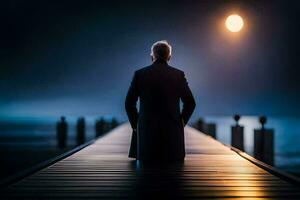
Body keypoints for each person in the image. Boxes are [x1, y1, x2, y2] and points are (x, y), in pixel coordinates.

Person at [125, 40, 196, 163]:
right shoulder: (178, 75)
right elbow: (190, 103)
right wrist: (181, 122)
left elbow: (129, 103)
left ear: (152, 56)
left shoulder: (140, 74)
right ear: (169, 56)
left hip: (146, 133)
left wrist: (136, 124)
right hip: (172, 134)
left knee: (144, 175)